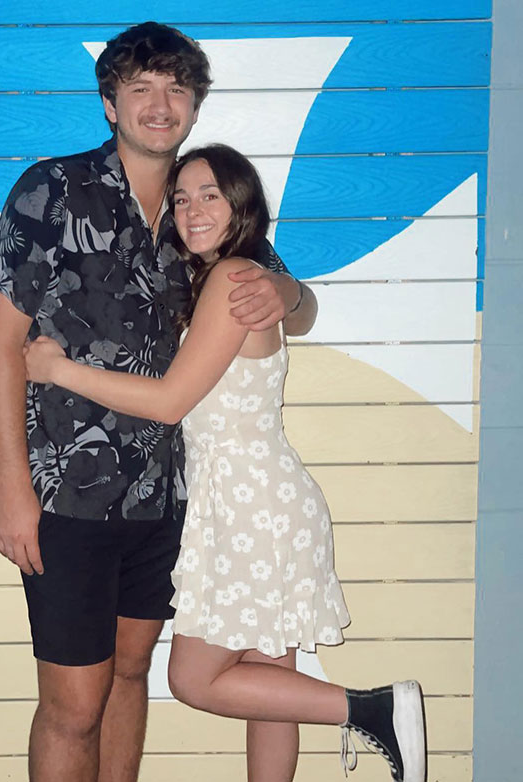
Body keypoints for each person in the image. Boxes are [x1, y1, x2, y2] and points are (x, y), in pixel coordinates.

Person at [24, 144, 427, 782]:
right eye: (182, 199)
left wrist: (58, 370)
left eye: (210, 195)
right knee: (269, 685)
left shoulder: (234, 277)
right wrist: (292, 292)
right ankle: (372, 712)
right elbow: (297, 314)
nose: (192, 210)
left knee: (193, 678)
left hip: (250, 506)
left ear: (242, 205)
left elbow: (169, 401)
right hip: (260, 501)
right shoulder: (232, 276)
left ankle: (371, 710)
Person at [0, 22, 313, 782]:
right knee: (73, 704)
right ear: (110, 103)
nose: (160, 105)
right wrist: (11, 488)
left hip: (169, 498)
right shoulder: (52, 191)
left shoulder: (203, 207)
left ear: (194, 104)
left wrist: (288, 291)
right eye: (141, 88)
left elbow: (292, 301)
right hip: (66, 495)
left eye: (176, 89)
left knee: (131, 677)